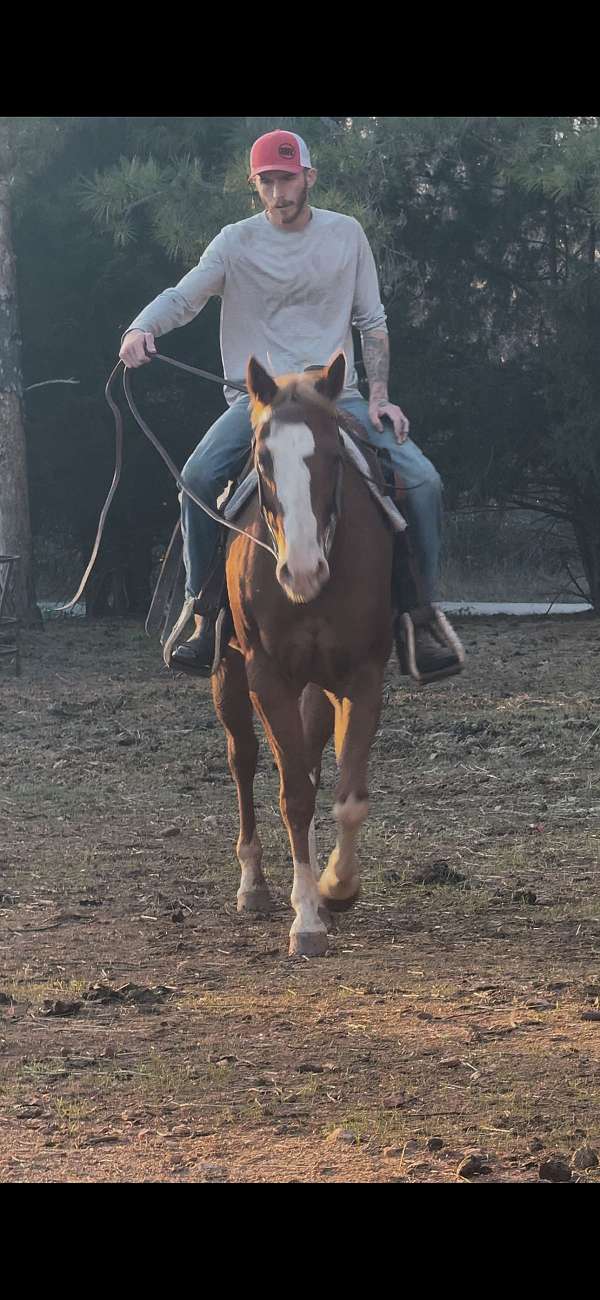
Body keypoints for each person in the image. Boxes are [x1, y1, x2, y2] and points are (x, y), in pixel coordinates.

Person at [120, 128, 455, 677]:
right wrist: (142, 327)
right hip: (259, 402)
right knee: (198, 478)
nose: (278, 192)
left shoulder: (346, 235)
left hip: (335, 398)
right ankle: (207, 615)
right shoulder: (234, 241)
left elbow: (372, 322)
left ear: (309, 178)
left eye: (287, 179)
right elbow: (185, 297)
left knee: (423, 483)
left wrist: (380, 397)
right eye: (267, 182)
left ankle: (420, 617)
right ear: (255, 184)